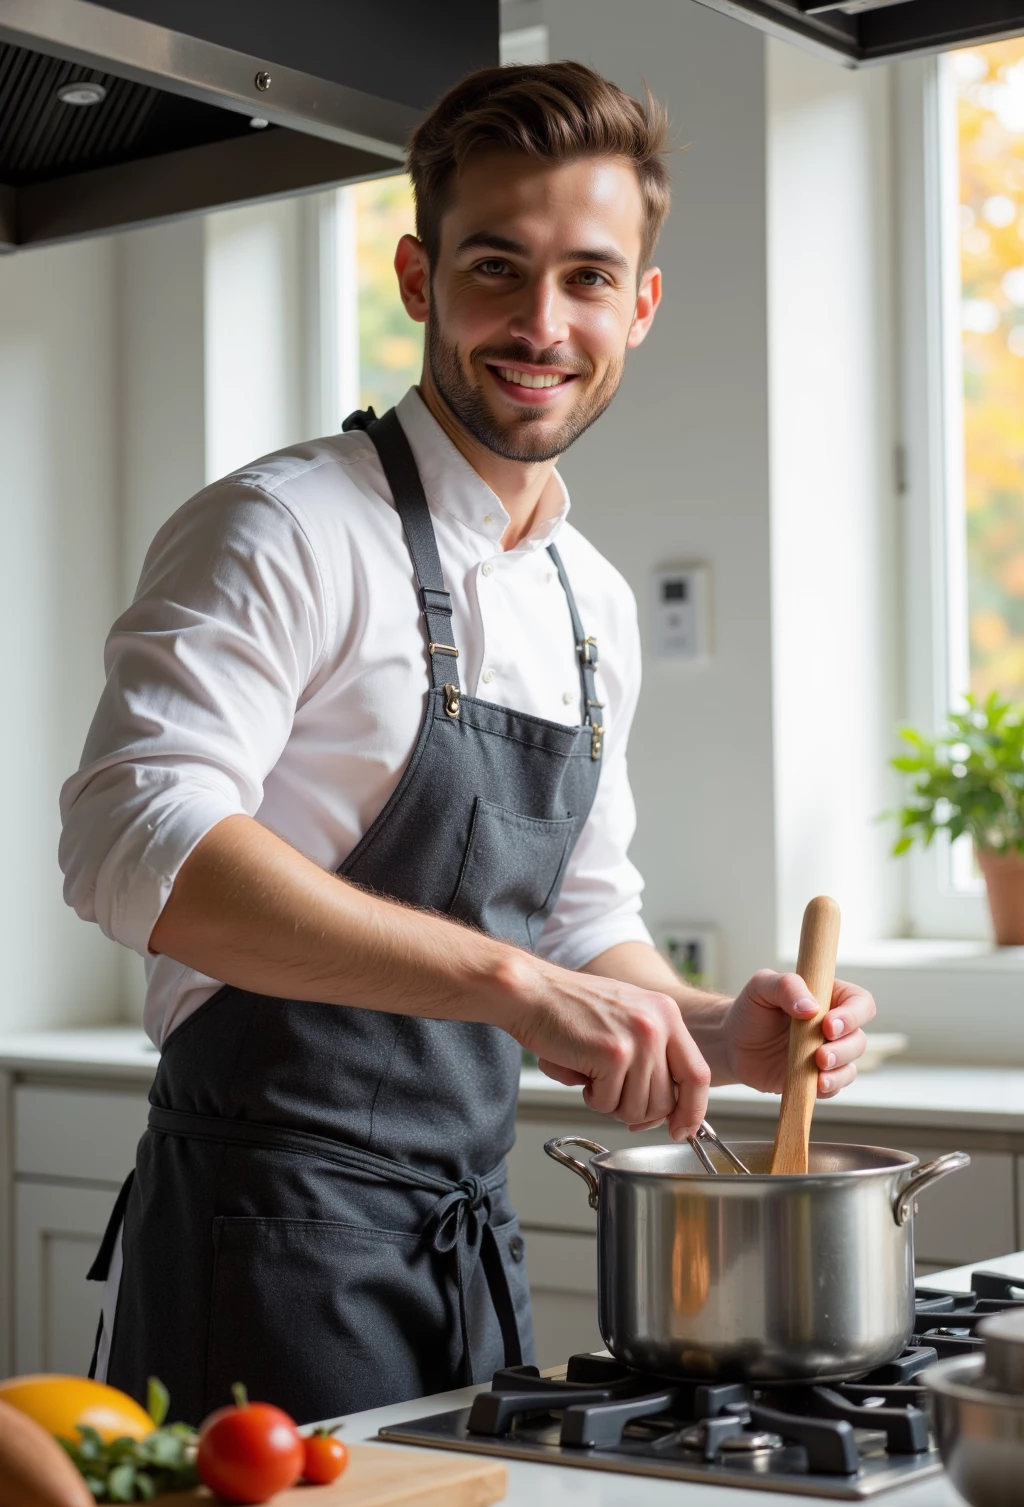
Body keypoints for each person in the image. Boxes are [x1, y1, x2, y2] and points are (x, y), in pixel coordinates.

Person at [59, 61, 873, 1426]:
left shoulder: (590, 600)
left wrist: (710, 1032)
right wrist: (514, 987)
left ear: (641, 305)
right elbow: (133, 845)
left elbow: (577, 919)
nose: (542, 323)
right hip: (261, 1245)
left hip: (462, 1249)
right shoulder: (284, 528)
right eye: (497, 267)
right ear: (418, 277)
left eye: (588, 279)